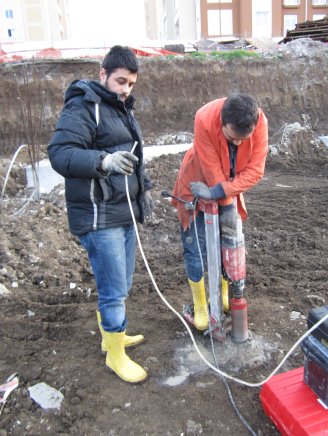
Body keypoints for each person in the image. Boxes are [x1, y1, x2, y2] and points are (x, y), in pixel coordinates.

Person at [48, 45, 154, 383]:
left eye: (131, 84)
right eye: (120, 81)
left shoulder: (121, 109)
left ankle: (114, 337)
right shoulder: (83, 107)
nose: (125, 89)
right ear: (102, 74)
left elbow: (133, 156)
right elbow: (60, 154)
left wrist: (145, 187)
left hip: (121, 212)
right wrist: (103, 162)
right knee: (113, 290)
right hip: (98, 215)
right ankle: (115, 356)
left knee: (121, 284)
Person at [171, 93, 268, 331]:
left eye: (243, 140)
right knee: (196, 247)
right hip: (196, 183)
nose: (237, 144)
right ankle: (202, 307)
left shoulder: (259, 121)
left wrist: (220, 194)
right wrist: (223, 201)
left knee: (228, 244)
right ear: (222, 122)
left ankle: (224, 297)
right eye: (232, 138)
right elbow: (211, 166)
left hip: (226, 188)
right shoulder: (204, 118)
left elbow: (255, 171)